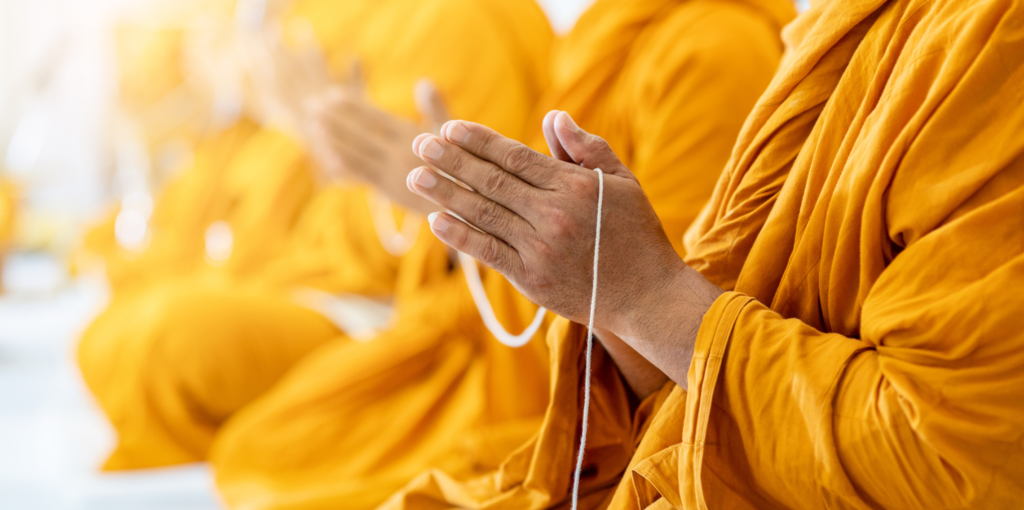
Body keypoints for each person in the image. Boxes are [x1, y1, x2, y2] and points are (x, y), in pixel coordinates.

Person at [399, 0, 1024, 508]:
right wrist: (605, 293)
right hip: (664, 445)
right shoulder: (841, 27)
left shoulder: (994, 42)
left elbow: (959, 459)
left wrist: (643, 295)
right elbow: (682, 363)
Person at [210, 0, 793, 508]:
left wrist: (465, 208)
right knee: (261, 446)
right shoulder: (596, 38)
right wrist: (430, 196)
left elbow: (673, 321)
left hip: (572, 392)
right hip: (480, 332)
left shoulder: (714, 49)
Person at [77, 0, 551, 471]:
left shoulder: (456, 20)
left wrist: (333, 151)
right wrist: (291, 128)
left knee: (163, 345)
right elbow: (286, 197)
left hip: (385, 311)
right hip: (302, 275)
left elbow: (477, 240)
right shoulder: (316, 22)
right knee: (106, 334)